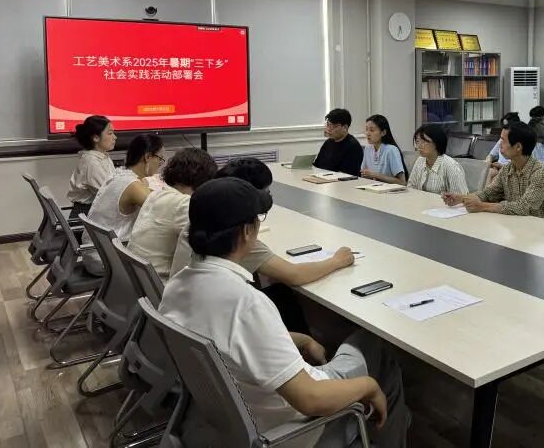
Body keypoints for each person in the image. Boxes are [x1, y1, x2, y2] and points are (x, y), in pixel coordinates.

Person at [159, 177, 410, 448]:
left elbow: (231, 341)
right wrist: (368, 386)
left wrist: (300, 339)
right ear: (247, 231)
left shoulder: (177, 287)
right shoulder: (245, 303)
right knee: (374, 348)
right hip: (293, 430)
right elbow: (310, 399)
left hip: (231, 421)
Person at [169, 157, 356, 333]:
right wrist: (336, 261)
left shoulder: (202, 222)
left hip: (191, 315)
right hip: (215, 319)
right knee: (283, 294)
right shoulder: (235, 242)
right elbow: (295, 275)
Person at [127, 147, 217, 280]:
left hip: (138, 278)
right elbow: (190, 262)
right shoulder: (184, 204)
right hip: (160, 283)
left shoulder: (156, 195)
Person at [442, 121, 544, 220]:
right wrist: (461, 198)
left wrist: (482, 206)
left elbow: (524, 207)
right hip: (515, 225)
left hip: (540, 231)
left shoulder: (540, 174)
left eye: (503, 140)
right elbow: (487, 194)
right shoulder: (507, 169)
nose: (500, 144)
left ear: (518, 147)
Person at [86, 134, 164, 275]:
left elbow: (147, 193)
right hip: (107, 259)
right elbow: (164, 208)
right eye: (160, 159)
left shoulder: (119, 174)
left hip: (95, 251)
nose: (160, 164)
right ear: (147, 157)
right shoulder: (132, 185)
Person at [67, 115, 117, 221]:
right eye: (110, 133)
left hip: (95, 212)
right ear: (96, 138)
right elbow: (108, 194)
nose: (115, 137)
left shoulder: (103, 156)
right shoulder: (91, 162)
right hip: (86, 217)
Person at [407, 124, 468, 195]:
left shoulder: (451, 166)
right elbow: (411, 187)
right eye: (417, 142)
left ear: (437, 142)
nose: (419, 146)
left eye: (424, 142)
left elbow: (461, 198)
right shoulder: (420, 161)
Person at [313, 108, 363, 176]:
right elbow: (317, 166)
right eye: (328, 125)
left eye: (333, 126)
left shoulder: (353, 147)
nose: (329, 129)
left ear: (345, 127)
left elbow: (348, 175)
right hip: (323, 178)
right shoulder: (328, 142)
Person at [360, 114, 407, 185]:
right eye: (366, 129)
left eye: (372, 130)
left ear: (383, 132)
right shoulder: (367, 148)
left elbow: (402, 182)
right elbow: (363, 175)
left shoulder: (391, 150)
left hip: (390, 190)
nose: (367, 133)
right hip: (372, 188)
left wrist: (376, 175)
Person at [486, 112, 521, 183]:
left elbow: (520, 166)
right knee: (486, 173)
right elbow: (491, 155)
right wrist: (488, 163)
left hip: (509, 172)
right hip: (498, 169)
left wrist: (501, 166)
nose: (504, 130)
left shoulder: (520, 143)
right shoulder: (502, 139)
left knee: (491, 177)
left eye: (506, 127)